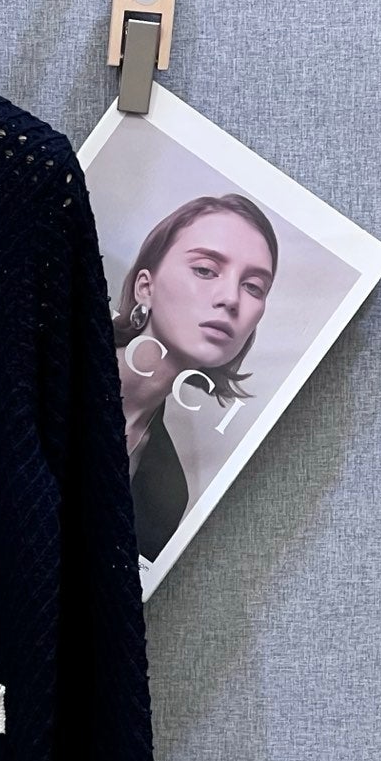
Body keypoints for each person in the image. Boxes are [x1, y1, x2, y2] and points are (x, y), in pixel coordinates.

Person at [113, 193, 279, 561]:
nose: (231, 299)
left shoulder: (167, 495)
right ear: (145, 287)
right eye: (205, 269)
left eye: (253, 286)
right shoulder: (38, 361)